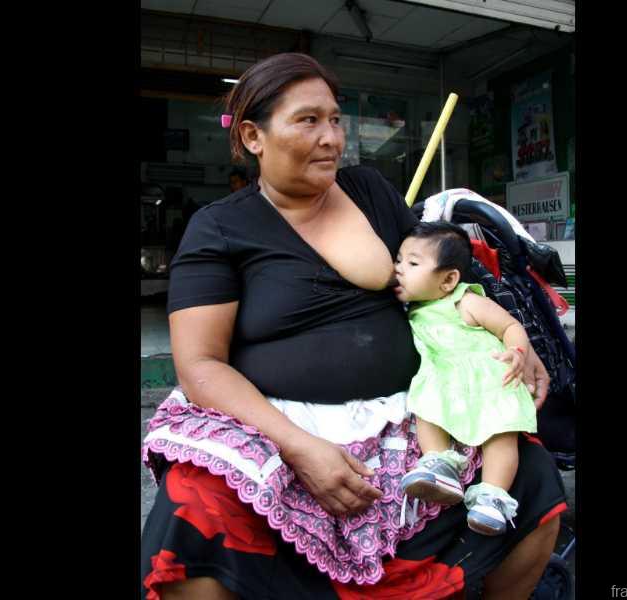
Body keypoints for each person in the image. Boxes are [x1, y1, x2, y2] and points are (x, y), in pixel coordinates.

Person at [141, 52, 566, 600]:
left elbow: (444, 279)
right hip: (275, 427)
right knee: (189, 511)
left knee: (532, 477)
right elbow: (199, 363)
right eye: (308, 120)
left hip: (410, 418)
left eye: (335, 119)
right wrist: (297, 447)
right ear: (252, 136)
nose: (332, 138)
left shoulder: (368, 191)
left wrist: (511, 333)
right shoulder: (220, 227)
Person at [394, 221, 537, 537]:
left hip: (489, 379)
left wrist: (516, 352)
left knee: (501, 432)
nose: (399, 269)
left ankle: (493, 496)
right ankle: (438, 464)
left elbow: (509, 326)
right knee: (425, 406)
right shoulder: (409, 310)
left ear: (448, 280)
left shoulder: (465, 301)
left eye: (413, 263)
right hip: (443, 380)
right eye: (399, 260)